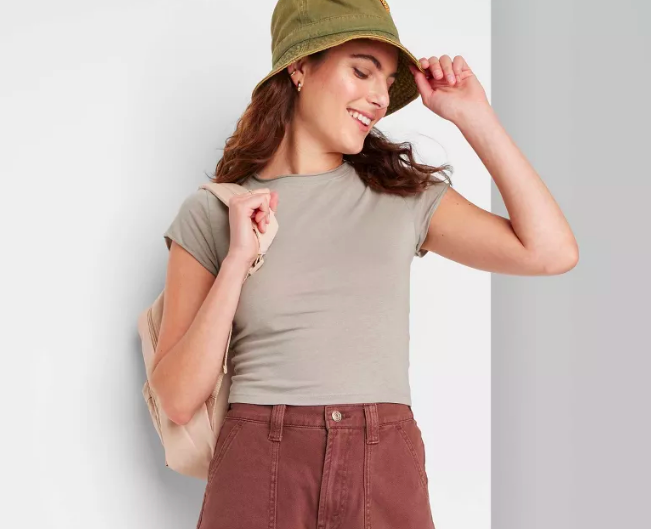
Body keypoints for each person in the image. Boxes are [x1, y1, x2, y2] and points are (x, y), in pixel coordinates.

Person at [149, 0, 579, 528]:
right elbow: (177, 400)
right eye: (361, 71)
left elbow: (551, 252)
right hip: (260, 460)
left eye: (389, 81)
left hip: (383, 460)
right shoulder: (217, 212)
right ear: (299, 67)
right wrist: (239, 259)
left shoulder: (404, 197)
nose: (379, 97)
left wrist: (475, 116)